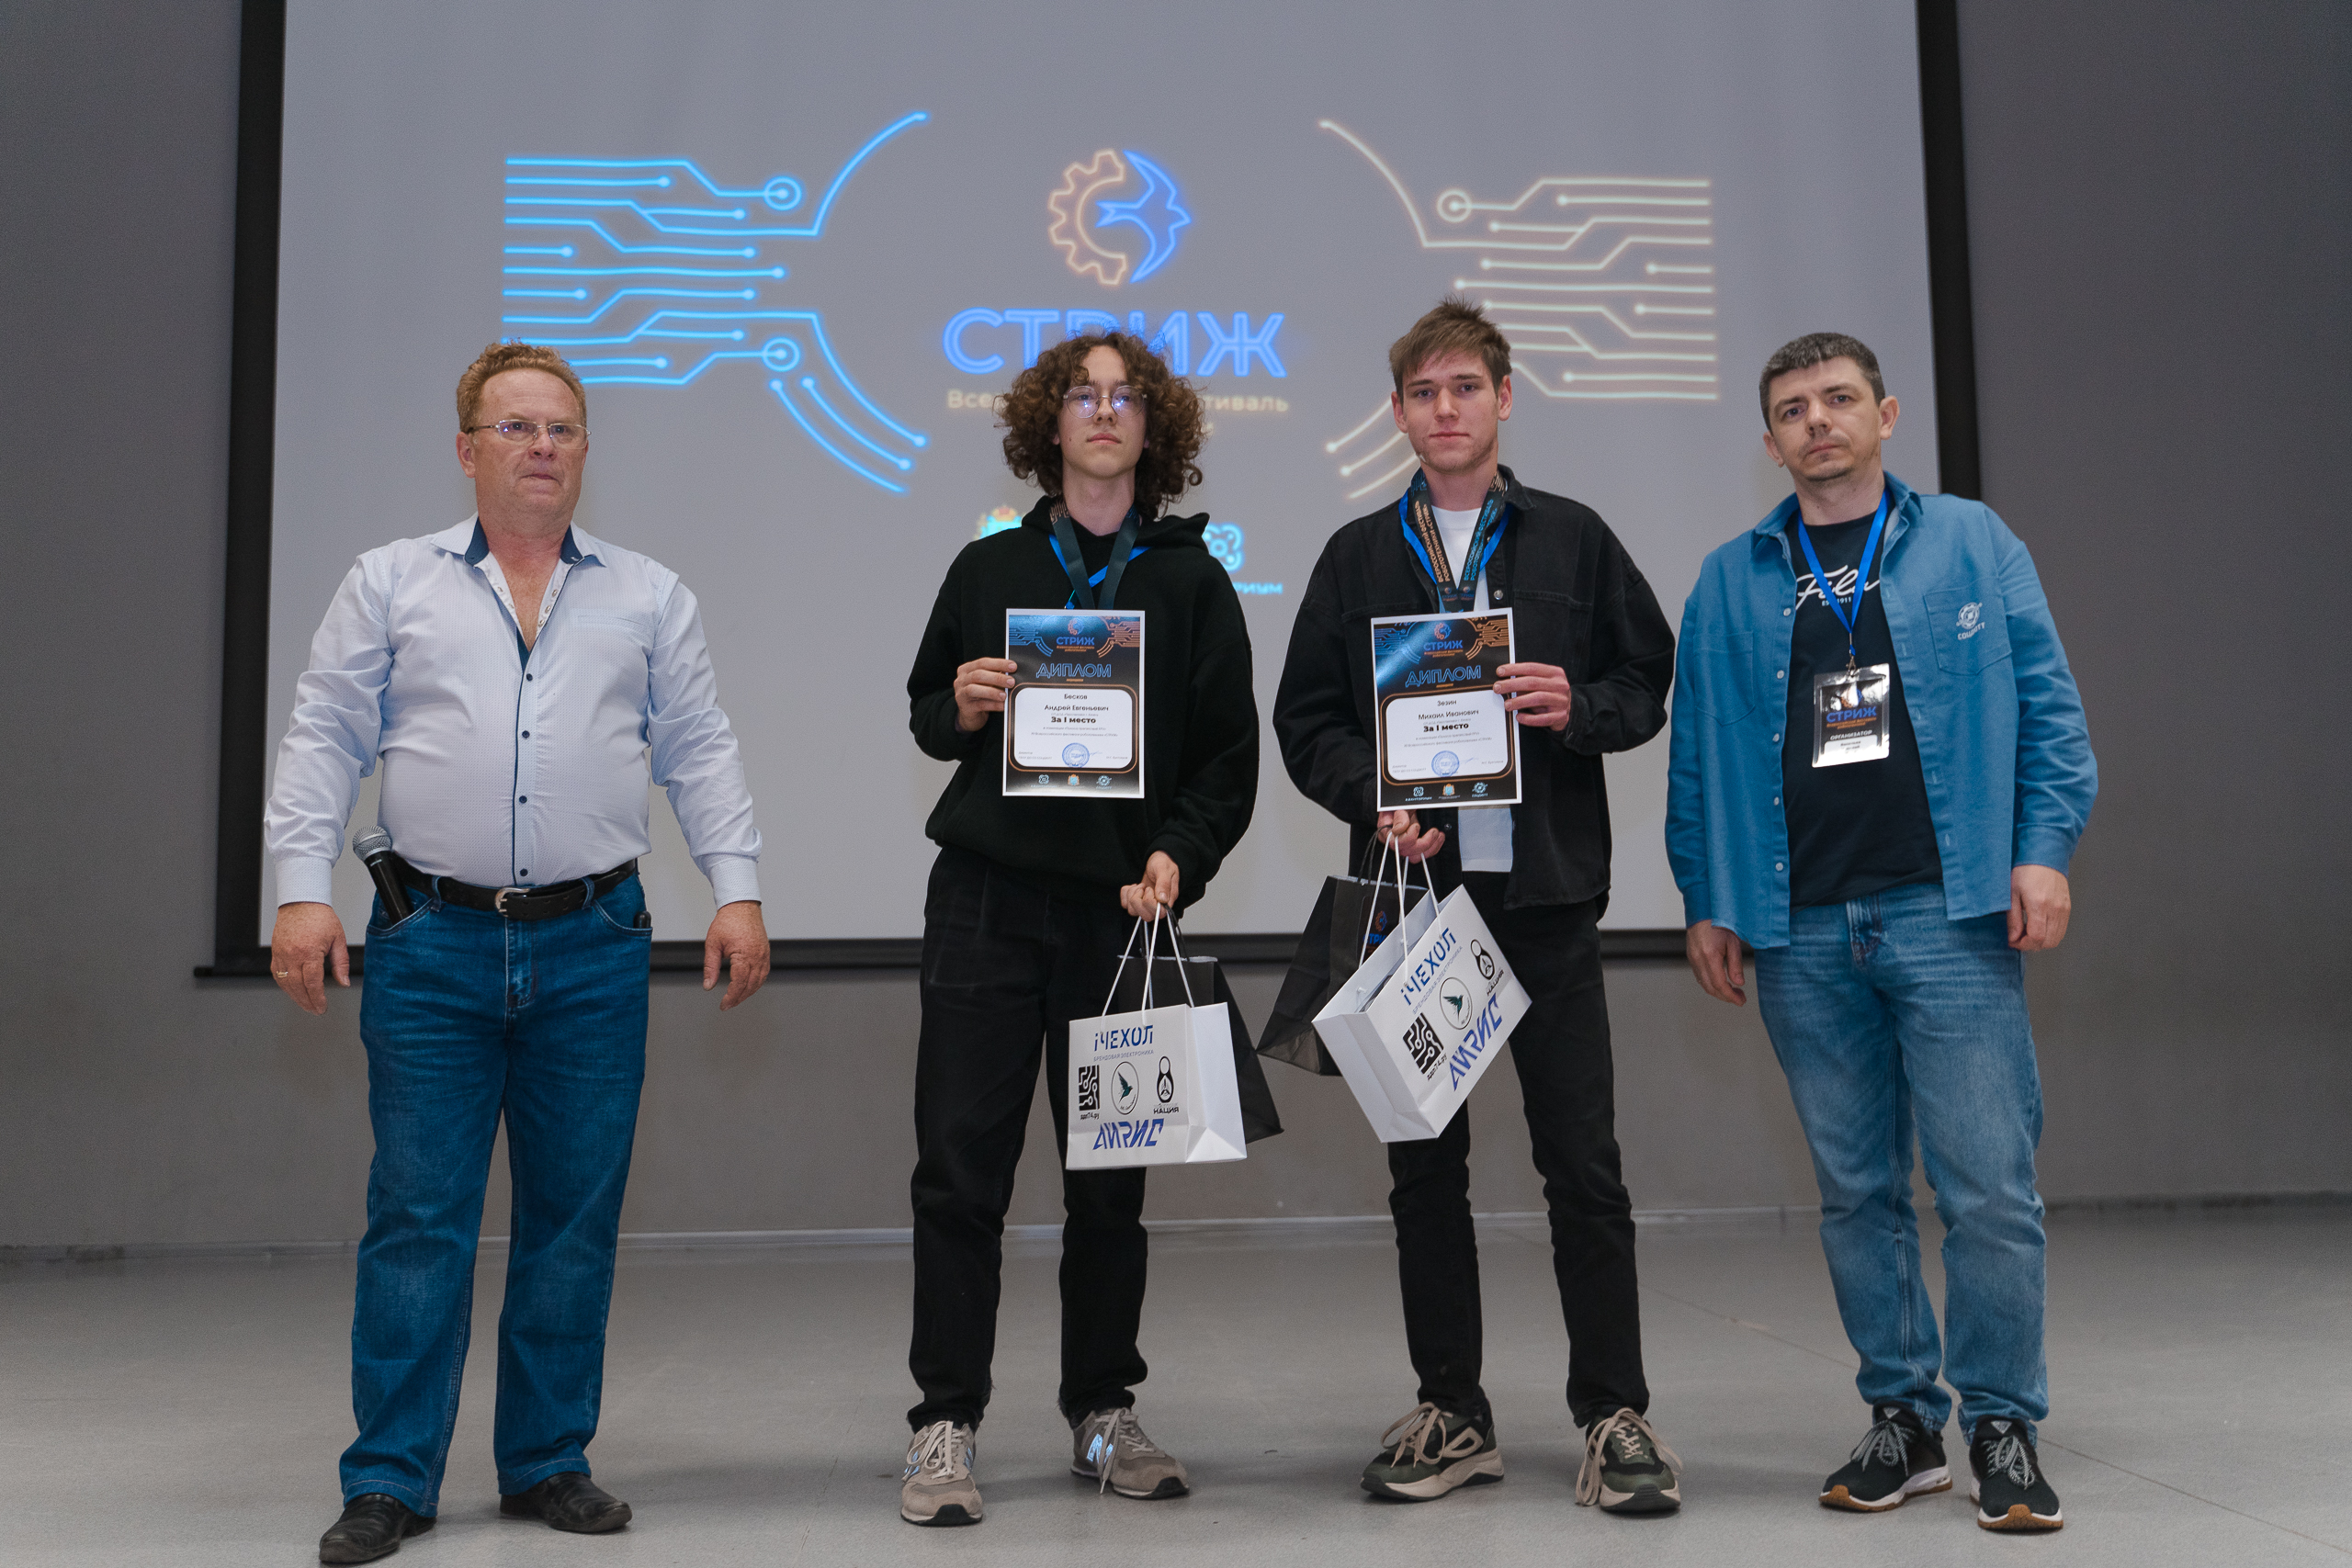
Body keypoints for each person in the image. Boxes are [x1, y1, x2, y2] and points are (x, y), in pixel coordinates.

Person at [266, 341, 771, 1564]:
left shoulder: (649, 594)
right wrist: (299, 893)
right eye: (515, 427)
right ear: (466, 450)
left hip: (593, 943)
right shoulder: (391, 581)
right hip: (431, 940)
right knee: (418, 1216)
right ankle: (391, 1478)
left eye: (562, 429)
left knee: (573, 1217)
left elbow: (698, 749)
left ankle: (547, 1459)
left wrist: (739, 891)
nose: (541, 447)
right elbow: (325, 736)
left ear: (585, 451)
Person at [1666, 333, 2096, 1533]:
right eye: (1792, 409)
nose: (1818, 421)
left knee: (1988, 1189)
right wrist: (1706, 897)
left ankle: (2002, 1422)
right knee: (1857, 1193)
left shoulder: (1973, 542)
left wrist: (2043, 850)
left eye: (1838, 399)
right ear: (1770, 441)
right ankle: (1903, 1418)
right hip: (1799, 927)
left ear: (1886, 414)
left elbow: (2051, 711)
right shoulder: (1730, 578)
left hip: (1947, 914)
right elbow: (1696, 756)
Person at [1272, 297, 1682, 1514]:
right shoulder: (1357, 556)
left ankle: (1614, 1413)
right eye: (1423, 393)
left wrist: (1580, 707)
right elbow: (1306, 720)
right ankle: (1453, 1408)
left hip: (1546, 899)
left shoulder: (1575, 539)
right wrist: (1374, 796)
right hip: (1416, 905)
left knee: (1583, 1166)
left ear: (1504, 398)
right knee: (1424, 1170)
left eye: (1465, 388)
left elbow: (1645, 676)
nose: (1445, 410)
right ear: (1398, 414)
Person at [897, 331, 1259, 1526]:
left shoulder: (1194, 584)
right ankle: (945, 1422)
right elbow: (925, 709)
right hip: (986, 904)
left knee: (1109, 1184)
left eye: (1125, 397)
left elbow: (1226, 759)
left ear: (1154, 427)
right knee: (960, 1176)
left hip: (1121, 917)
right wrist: (959, 706)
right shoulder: (989, 564)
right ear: (1048, 423)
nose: (1104, 413)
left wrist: (1178, 855)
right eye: (1082, 396)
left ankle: (1102, 1412)